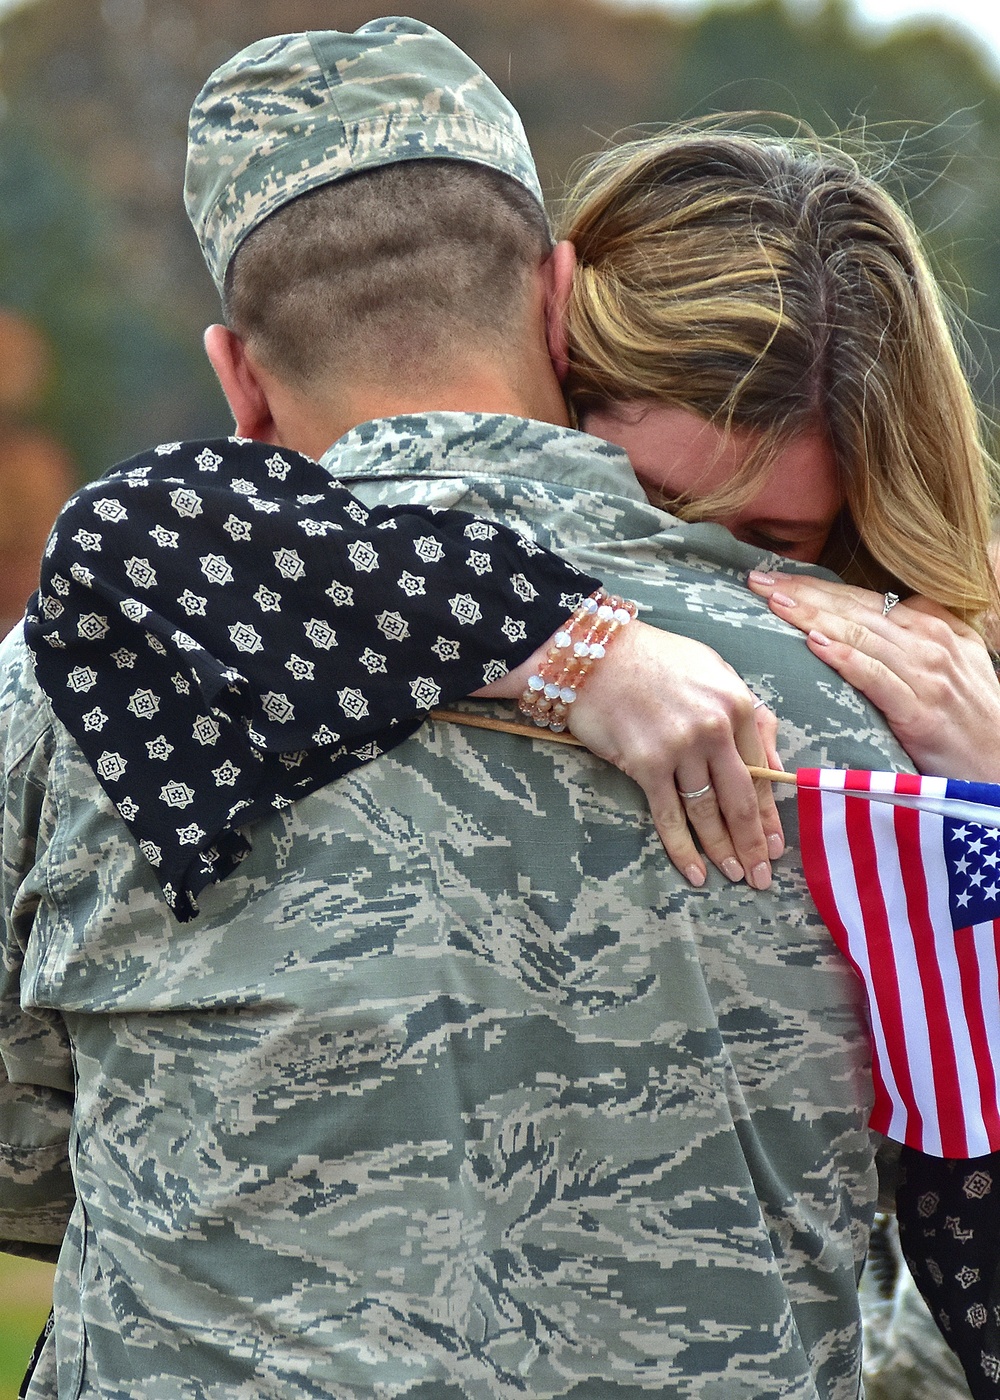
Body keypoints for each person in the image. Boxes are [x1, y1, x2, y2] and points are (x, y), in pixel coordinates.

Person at [0, 19, 924, 1398]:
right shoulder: (863, 687)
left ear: (238, 378)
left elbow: (22, 1151)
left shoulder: (82, 675)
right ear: (559, 301)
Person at [554, 127, 1000, 1400]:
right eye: (644, 515)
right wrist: (556, 637)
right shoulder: (320, 569)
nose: (688, 594)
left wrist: (981, 808)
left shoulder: (928, 703)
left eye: (763, 541)